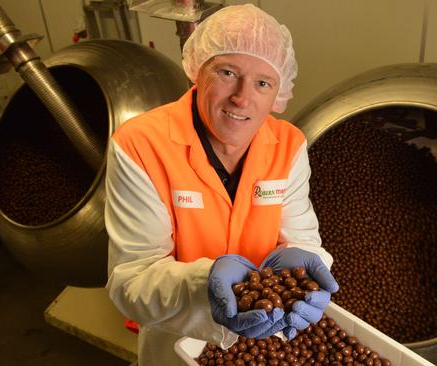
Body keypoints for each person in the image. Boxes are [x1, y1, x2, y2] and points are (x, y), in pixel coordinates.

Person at [104, 4, 338, 365]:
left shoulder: (288, 146)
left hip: (269, 334)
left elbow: (303, 237)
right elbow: (130, 284)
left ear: (278, 93)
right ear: (199, 72)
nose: (242, 98)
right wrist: (205, 284)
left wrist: (306, 263)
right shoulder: (141, 144)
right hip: (176, 342)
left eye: (263, 83)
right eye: (228, 72)